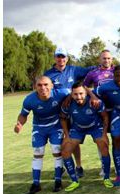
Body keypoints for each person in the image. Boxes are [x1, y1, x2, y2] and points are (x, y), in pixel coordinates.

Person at [15, 76, 70, 194]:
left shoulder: (62, 93)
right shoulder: (29, 99)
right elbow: (23, 115)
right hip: (39, 128)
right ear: (35, 87)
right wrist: (19, 123)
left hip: (56, 126)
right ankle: (35, 184)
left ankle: (58, 181)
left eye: (46, 84)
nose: (43, 88)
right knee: (38, 152)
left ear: (52, 86)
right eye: (39, 85)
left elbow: (76, 92)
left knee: (56, 149)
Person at [43, 47, 90, 176]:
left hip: (73, 111)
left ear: (67, 58)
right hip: (56, 112)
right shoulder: (48, 74)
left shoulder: (73, 70)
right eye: (58, 56)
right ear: (54, 58)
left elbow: (90, 71)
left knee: (73, 140)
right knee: (57, 142)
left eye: (63, 56)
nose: (61, 59)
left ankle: (79, 166)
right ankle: (60, 166)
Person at [59, 81, 111, 191]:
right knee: (65, 149)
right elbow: (63, 118)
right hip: (77, 128)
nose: (78, 97)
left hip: (95, 127)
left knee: (104, 145)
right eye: (75, 94)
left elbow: (105, 117)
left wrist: (104, 134)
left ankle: (106, 178)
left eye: (81, 93)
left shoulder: (95, 102)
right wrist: (67, 136)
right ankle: (74, 180)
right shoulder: (67, 103)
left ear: (86, 93)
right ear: (71, 95)